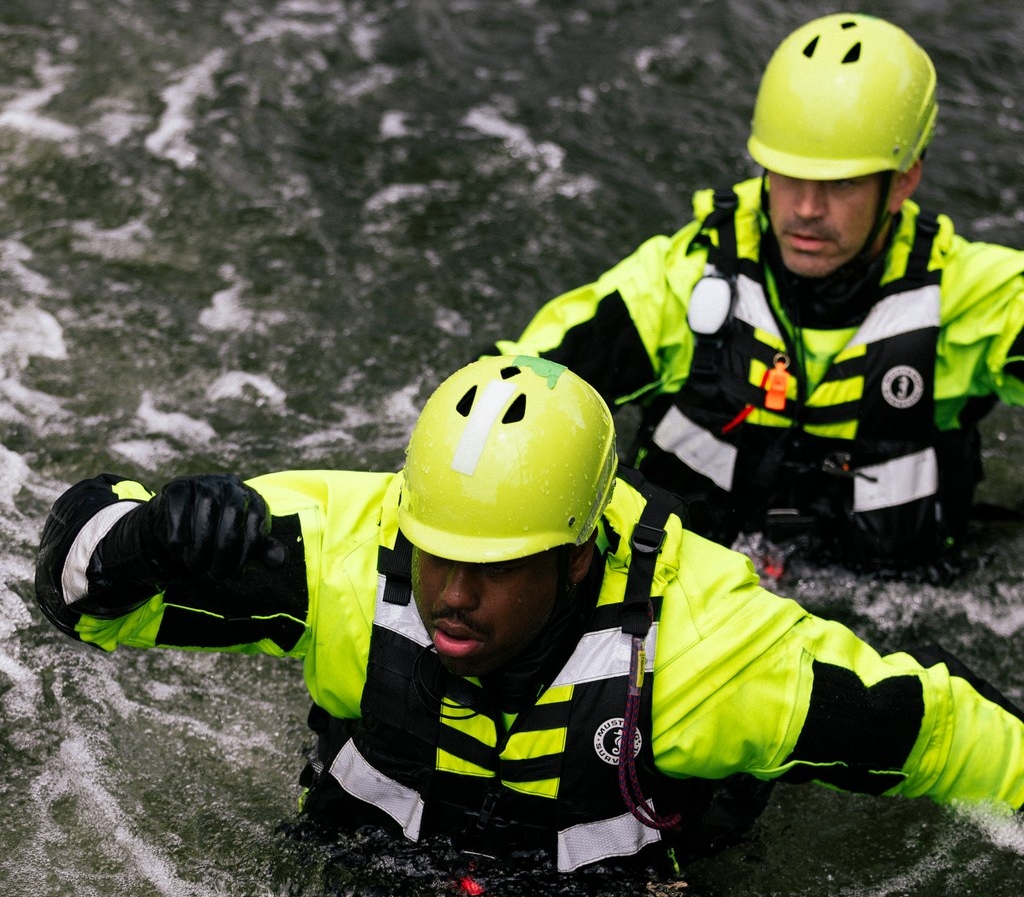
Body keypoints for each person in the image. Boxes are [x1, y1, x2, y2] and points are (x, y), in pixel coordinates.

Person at [36, 355, 1024, 879]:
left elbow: (944, 733)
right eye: (437, 553)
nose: (451, 594)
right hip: (372, 864)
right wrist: (149, 538)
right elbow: (74, 593)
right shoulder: (340, 555)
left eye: (495, 568)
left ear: (577, 554)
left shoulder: (707, 655)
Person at [491, 12, 1024, 580]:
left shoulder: (972, 299)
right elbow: (502, 402)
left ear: (903, 182)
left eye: (841, 183)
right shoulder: (683, 280)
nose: (806, 209)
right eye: (787, 175)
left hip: (896, 599)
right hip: (684, 599)